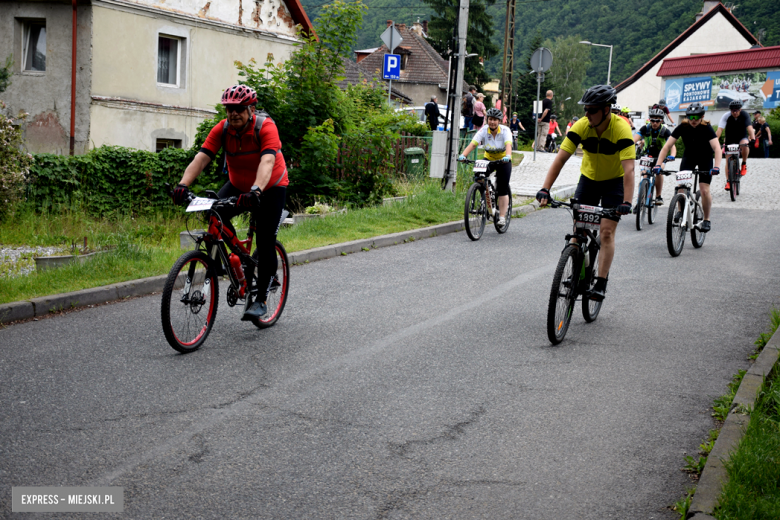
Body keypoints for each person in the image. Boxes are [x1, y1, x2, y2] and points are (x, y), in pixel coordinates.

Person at [172, 85, 288, 321]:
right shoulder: (222, 129)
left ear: (251, 109)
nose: (233, 113)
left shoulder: (266, 127)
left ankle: (261, 299)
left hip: (271, 185)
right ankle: (232, 259)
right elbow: (202, 157)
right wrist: (182, 185)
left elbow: (267, 161)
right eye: (229, 109)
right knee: (214, 213)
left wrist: (256, 191)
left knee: (265, 241)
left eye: (239, 108)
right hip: (238, 184)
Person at [536, 85, 635, 302]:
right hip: (588, 180)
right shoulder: (582, 126)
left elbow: (629, 169)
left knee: (607, 232)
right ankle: (576, 265)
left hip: (614, 182)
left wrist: (627, 201)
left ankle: (600, 282)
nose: (587, 114)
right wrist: (545, 188)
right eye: (585, 110)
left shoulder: (621, 129)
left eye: (592, 110)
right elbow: (560, 159)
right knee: (577, 231)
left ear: (607, 110)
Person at [654, 102, 721, 233]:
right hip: (689, 157)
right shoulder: (682, 127)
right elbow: (666, 147)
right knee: (681, 187)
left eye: (696, 117)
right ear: (687, 117)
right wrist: (658, 164)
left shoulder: (706, 128)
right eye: (691, 117)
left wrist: (717, 166)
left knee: (704, 190)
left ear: (702, 116)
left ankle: (706, 219)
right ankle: (680, 210)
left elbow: (717, 148)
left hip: (705, 158)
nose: (694, 120)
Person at [458, 107, 513, 227]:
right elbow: (473, 144)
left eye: (495, 120)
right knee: (479, 176)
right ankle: (483, 196)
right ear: (487, 119)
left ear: (499, 121)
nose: (492, 122)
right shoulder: (484, 130)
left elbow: (508, 144)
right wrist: (463, 155)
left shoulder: (505, 131)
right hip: (489, 159)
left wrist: (508, 156)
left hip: (503, 160)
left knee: (502, 187)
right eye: (490, 119)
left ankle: (502, 217)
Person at [633, 107, 677, 205]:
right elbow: (634, 140)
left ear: (661, 120)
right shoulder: (645, 128)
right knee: (644, 175)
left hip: (660, 156)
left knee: (659, 171)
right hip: (647, 155)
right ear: (650, 120)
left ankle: (658, 196)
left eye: (657, 120)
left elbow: (672, 146)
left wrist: (672, 155)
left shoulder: (665, 131)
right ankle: (640, 201)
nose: (655, 123)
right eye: (652, 120)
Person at [716, 99, 755, 182]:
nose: (734, 112)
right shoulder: (726, 116)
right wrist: (715, 142)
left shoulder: (745, 115)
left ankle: (744, 163)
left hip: (742, 137)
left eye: (736, 110)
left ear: (740, 109)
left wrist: (753, 139)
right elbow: (719, 130)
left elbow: (750, 128)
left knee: (745, 145)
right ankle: (728, 181)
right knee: (728, 160)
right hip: (730, 138)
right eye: (732, 111)